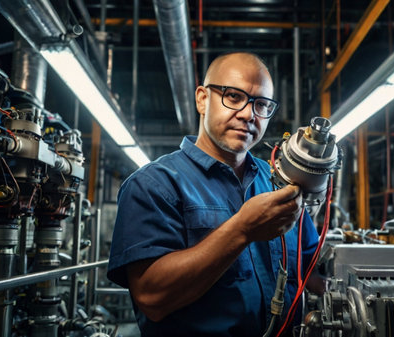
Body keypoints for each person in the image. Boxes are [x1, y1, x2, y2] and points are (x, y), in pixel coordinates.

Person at [107, 52, 322, 336]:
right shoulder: (153, 185)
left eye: (261, 105)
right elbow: (152, 298)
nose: (248, 114)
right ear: (202, 99)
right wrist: (242, 230)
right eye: (233, 96)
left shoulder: (280, 183)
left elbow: (312, 271)